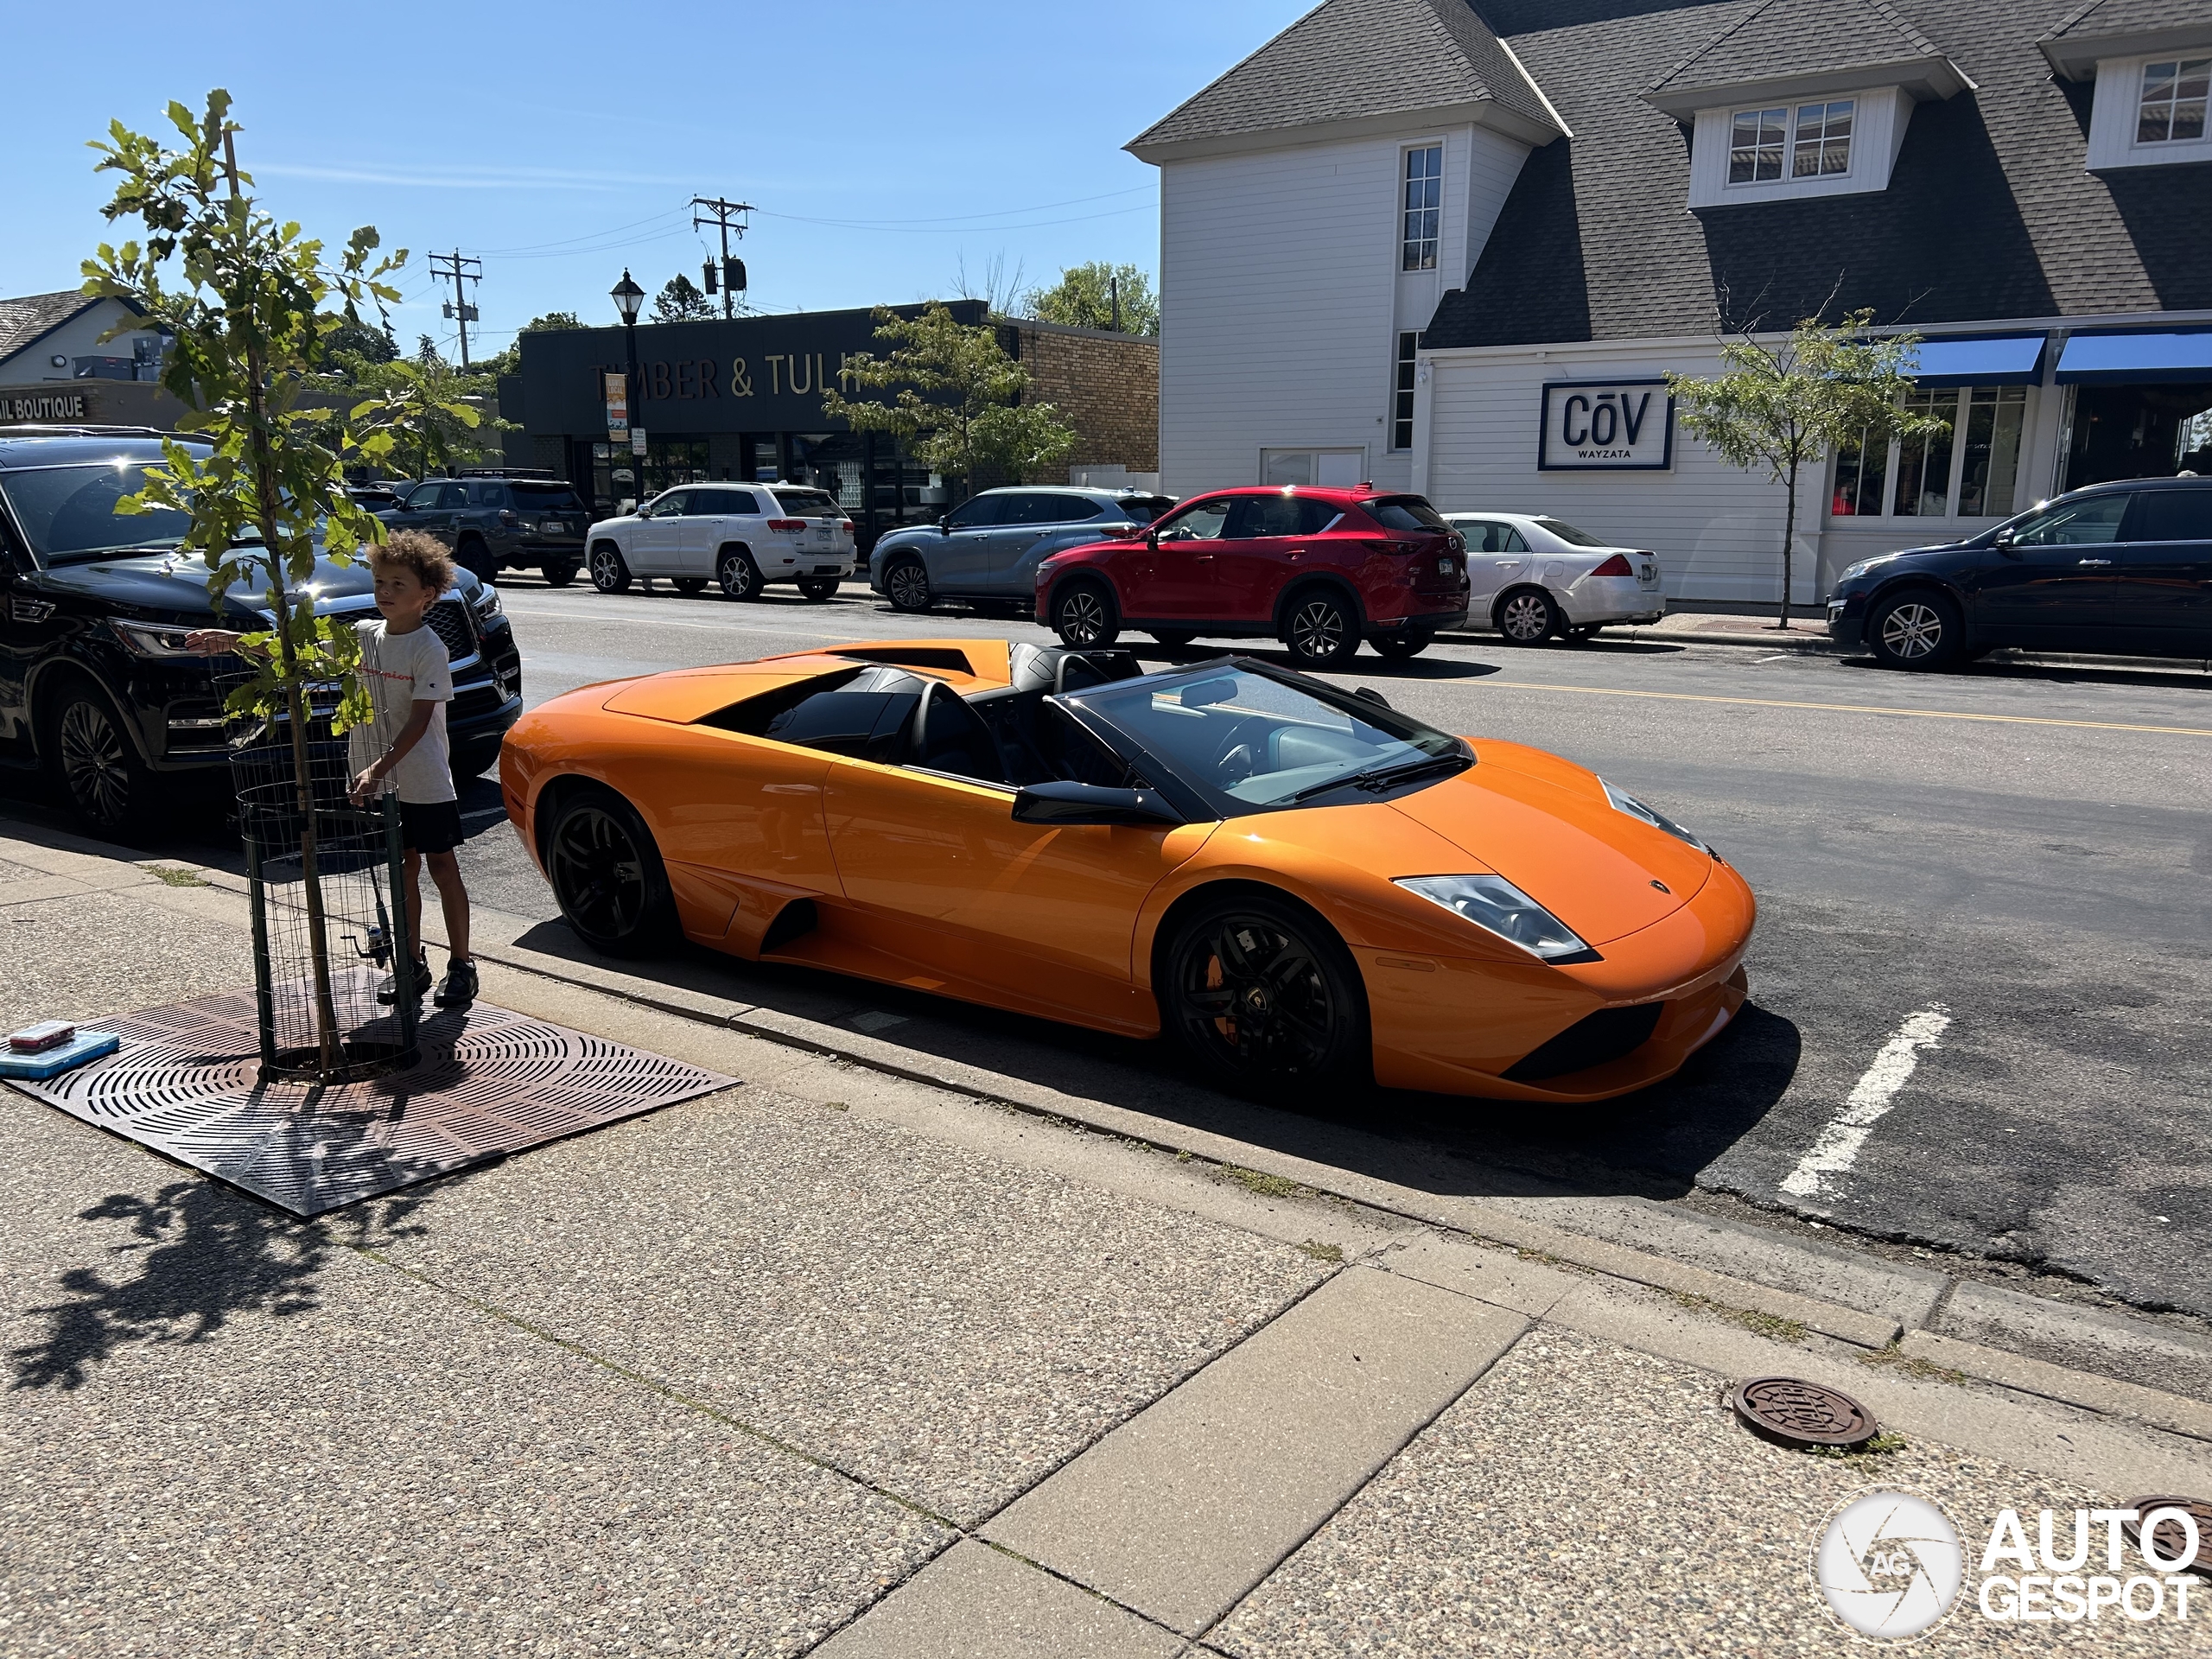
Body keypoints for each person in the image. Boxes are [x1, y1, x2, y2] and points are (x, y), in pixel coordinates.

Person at [188, 529, 477, 1008]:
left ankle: (462, 964)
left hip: (422, 779)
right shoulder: (363, 637)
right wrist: (233, 641)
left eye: (398, 585)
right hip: (376, 777)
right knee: (402, 869)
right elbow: (296, 654)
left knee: (443, 867)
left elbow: (422, 721)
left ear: (427, 594)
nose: (385, 592)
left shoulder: (430, 649)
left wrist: (379, 767)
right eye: (380, 582)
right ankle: (410, 964)